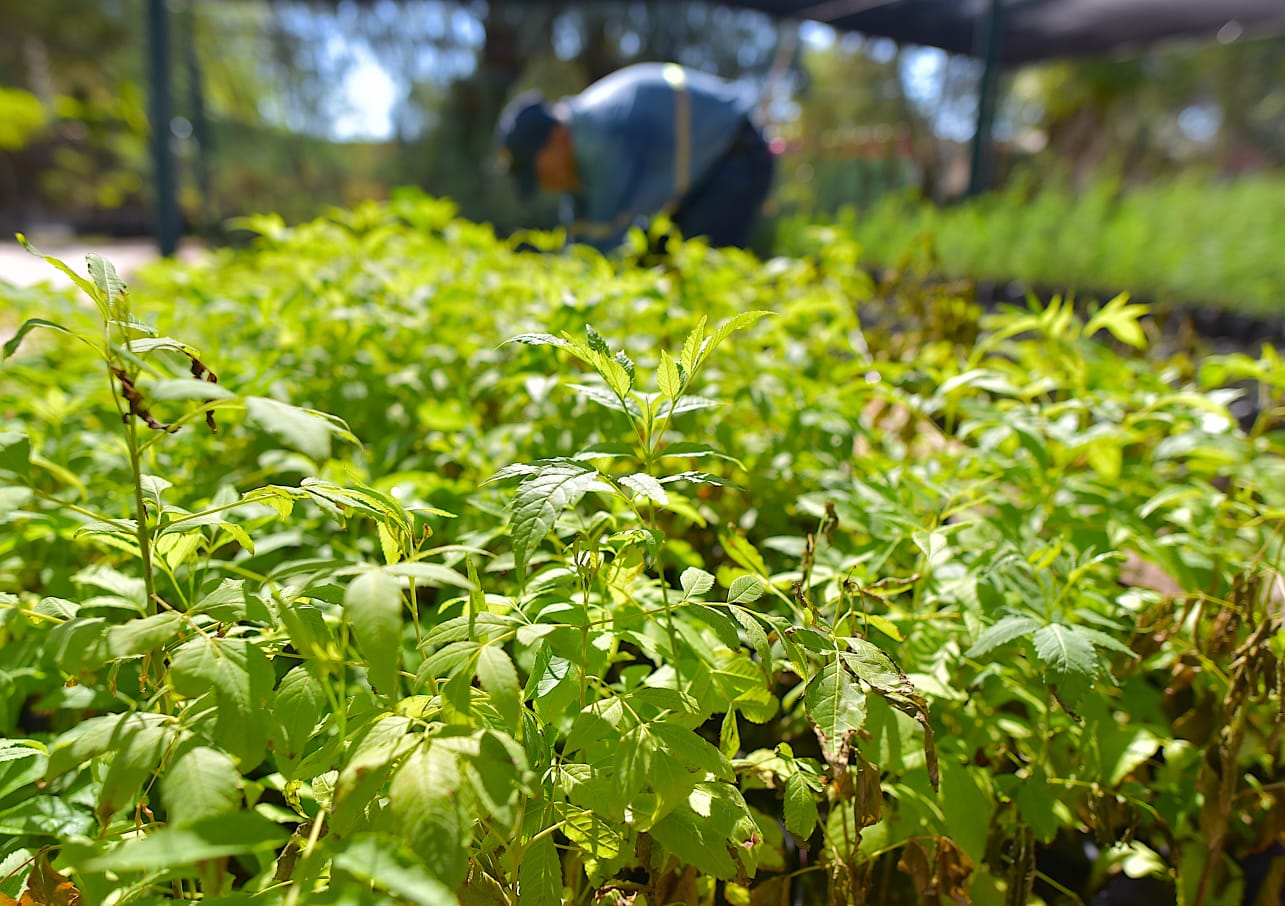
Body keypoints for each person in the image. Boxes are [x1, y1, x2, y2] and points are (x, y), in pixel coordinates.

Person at [495, 62, 776, 252]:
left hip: (736, 156)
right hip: (705, 173)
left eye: (538, 169)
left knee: (703, 271)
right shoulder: (581, 138)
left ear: (556, 135)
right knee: (667, 265)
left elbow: (603, 246)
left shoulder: (601, 133)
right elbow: (580, 233)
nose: (545, 183)